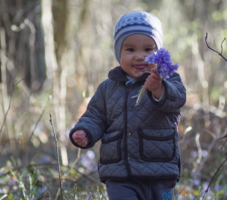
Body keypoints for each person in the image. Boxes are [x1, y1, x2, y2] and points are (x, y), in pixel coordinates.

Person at [69, 10, 186, 200]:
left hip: (159, 170)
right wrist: (85, 131)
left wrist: (158, 88)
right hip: (120, 174)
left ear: (159, 52)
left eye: (148, 49)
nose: (140, 56)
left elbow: (177, 100)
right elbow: (96, 115)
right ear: (118, 53)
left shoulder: (168, 79)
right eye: (130, 50)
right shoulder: (108, 87)